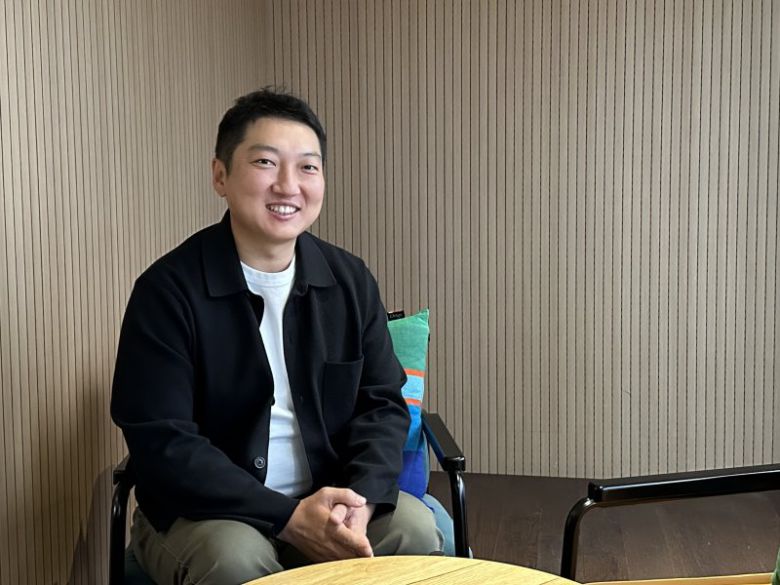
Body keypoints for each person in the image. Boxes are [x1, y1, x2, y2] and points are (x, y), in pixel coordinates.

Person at [110, 88, 442, 585]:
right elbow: (164, 442)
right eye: (265, 162)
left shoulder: (350, 280)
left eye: (307, 167)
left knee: (412, 529)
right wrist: (287, 517)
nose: (288, 185)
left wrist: (364, 500)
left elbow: (382, 404)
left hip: (329, 498)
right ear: (220, 176)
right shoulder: (167, 292)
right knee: (233, 560)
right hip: (210, 513)